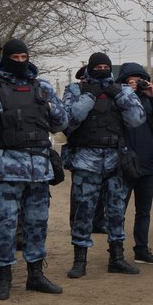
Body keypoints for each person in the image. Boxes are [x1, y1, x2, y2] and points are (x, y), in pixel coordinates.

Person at [0, 39, 69, 300]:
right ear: (4, 58)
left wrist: (51, 109)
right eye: (14, 58)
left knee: (37, 224)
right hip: (3, 168)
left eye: (24, 57)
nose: (20, 62)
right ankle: (4, 278)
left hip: (38, 168)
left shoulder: (41, 87)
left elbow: (63, 122)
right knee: (4, 226)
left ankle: (35, 276)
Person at [62, 52, 146, 278]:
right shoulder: (74, 90)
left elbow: (137, 119)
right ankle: (80, 261)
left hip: (115, 160)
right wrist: (90, 96)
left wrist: (119, 94)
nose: (101, 69)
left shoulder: (123, 91)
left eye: (105, 66)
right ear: (89, 68)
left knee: (117, 212)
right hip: (85, 160)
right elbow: (68, 120)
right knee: (83, 211)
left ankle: (117, 258)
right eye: (97, 66)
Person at [117, 62, 153, 265]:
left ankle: (141, 250)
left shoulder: (150, 99)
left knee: (144, 211)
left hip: (147, 164)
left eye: (137, 81)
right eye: (129, 81)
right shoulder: (118, 100)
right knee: (118, 211)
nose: (133, 84)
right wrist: (125, 94)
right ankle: (116, 253)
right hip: (123, 164)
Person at [66, 65, 107, 234]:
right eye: (83, 79)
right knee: (79, 194)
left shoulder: (105, 91)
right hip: (80, 150)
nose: (86, 82)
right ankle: (75, 222)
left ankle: (97, 222)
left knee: (101, 193)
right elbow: (70, 120)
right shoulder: (75, 92)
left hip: (102, 150)